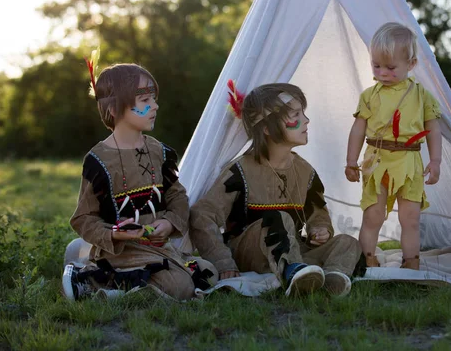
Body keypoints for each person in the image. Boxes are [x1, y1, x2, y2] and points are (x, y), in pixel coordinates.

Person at [189, 82, 364, 297]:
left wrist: (320, 230)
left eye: (304, 113)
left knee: (348, 242)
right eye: (296, 115)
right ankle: (293, 272)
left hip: (295, 250)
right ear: (266, 128)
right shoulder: (239, 171)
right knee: (279, 218)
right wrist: (223, 261)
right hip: (250, 253)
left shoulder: (305, 171)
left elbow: (318, 213)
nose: (306, 121)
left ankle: (330, 278)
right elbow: (202, 215)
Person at [62, 59, 217, 301]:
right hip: (121, 251)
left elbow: (177, 196)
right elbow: (84, 218)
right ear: (114, 109)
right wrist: (115, 233)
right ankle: (90, 281)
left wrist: (168, 223)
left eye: (154, 99)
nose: (155, 106)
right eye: (145, 101)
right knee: (181, 288)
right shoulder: (98, 160)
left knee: (209, 273)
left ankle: (85, 261)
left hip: (158, 247)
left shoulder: (160, 152)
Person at [345, 22, 442, 270]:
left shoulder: (422, 96)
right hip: (376, 161)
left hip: (409, 162)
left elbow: (433, 129)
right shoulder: (369, 95)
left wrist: (436, 161)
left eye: (390, 67)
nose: (383, 72)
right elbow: (358, 129)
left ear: (410, 65)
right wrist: (350, 161)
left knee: (410, 218)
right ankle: (366, 258)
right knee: (373, 214)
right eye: (376, 66)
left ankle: (411, 262)